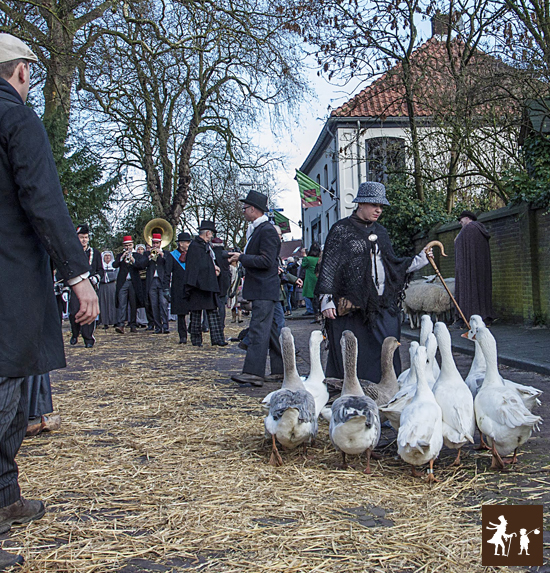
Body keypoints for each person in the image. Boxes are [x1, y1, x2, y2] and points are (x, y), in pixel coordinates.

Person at [0, 33, 99, 569]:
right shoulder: (16, 118)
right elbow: (42, 198)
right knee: (6, 389)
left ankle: (5, 498)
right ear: (20, 73)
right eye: (30, 76)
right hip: (8, 281)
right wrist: (78, 275)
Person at [316, 182, 431, 382]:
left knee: (387, 349)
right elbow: (330, 265)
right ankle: (351, 395)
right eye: (373, 204)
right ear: (360, 203)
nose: (378, 210)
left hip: (380, 305)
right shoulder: (341, 230)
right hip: (352, 306)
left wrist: (419, 260)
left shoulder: (382, 232)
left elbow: (392, 265)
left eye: (381, 206)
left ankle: (387, 391)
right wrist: (326, 299)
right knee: (353, 355)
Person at [228, 190, 283, 387]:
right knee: (272, 330)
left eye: (244, 208)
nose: (243, 212)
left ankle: (253, 372)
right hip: (265, 288)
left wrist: (241, 257)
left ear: (253, 209)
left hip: (264, 288)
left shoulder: (265, 230)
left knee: (259, 329)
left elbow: (267, 261)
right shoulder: (259, 229)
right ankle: (280, 370)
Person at [183, 221, 227, 347]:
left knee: (213, 312)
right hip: (198, 286)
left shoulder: (204, 246)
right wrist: (212, 270)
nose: (211, 236)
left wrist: (214, 268)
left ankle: (218, 339)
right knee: (196, 315)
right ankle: (196, 341)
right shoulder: (196, 246)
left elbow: (207, 263)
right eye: (211, 234)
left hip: (208, 285)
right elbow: (197, 266)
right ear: (208, 233)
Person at [454, 210, 494, 325]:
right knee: (481, 290)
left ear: (467, 218)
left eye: (461, 220)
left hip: (468, 270)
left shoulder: (469, 229)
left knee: (469, 290)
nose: (460, 223)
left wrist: (457, 239)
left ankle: (466, 317)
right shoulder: (480, 229)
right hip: (481, 268)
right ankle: (485, 317)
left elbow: (458, 242)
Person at [68, 224, 103, 347]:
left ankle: (88, 339)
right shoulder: (72, 253)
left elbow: (100, 271)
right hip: (76, 286)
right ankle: (75, 333)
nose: (84, 240)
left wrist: (94, 279)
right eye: (82, 237)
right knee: (73, 312)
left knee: (88, 312)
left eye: (86, 237)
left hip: (91, 286)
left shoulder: (95, 253)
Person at [112, 236, 146, 334]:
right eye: (126, 245)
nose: (128, 247)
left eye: (130, 245)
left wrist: (133, 260)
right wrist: (122, 258)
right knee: (122, 303)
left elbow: (141, 266)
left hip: (134, 282)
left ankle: (133, 324)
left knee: (133, 304)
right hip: (123, 282)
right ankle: (121, 324)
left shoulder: (137, 255)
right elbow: (114, 265)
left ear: (133, 245)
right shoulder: (120, 255)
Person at [164, 231, 192, 344]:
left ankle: (192, 330)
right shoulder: (172, 256)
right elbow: (167, 273)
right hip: (178, 287)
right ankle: (183, 336)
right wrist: (166, 288)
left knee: (194, 311)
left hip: (191, 286)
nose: (188, 244)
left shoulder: (192, 255)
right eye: (187, 242)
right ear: (180, 243)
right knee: (181, 314)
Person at [144, 233, 170, 334]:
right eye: (153, 243)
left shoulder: (166, 253)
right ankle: (158, 327)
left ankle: (166, 326)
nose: (155, 245)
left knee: (163, 303)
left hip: (162, 281)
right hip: (151, 281)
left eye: (157, 243)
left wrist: (162, 255)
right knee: (154, 304)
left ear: (160, 243)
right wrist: (149, 257)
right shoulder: (147, 254)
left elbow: (169, 265)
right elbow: (141, 264)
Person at [211, 236, 231, 331]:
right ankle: (221, 324)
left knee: (212, 304)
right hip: (224, 281)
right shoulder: (226, 254)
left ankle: (209, 325)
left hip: (215, 280)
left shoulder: (212, 253)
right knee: (222, 304)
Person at [98, 251, 118, 329]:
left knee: (112, 302)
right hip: (102, 286)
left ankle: (113, 321)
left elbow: (116, 275)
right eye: (105, 256)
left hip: (112, 285)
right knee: (103, 303)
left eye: (108, 256)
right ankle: (104, 321)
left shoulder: (113, 266)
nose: (107, 257)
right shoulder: (101, 266)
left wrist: (109, 278)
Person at [301, 242, 321, 317]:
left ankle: (313, 313)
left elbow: (303, 265)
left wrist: (305, 256)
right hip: (318, 278)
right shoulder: (319, 258)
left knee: (309, 296)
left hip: (310, 280)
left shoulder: (307, 259)